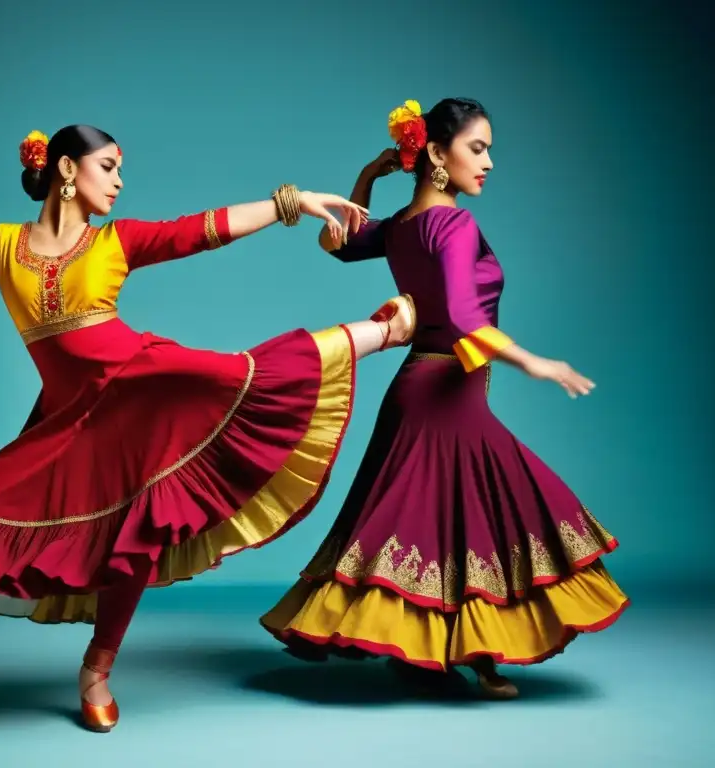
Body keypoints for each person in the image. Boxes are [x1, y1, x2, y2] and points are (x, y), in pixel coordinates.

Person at [0, 124, 418, 731]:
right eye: (107, 167)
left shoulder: (117, 242)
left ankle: (96, 673)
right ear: (65, 169)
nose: (116, 182)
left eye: (119, 171)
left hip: (142, 388)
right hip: (69, 415)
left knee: (196, 448)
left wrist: (291, 201)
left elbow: (202, 230)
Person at [260, 99, 628, 699]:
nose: (488, 163)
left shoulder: (405, 224)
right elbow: (459, 314)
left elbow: (347, 241)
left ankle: (430, 649)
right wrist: (531, 359)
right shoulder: (452, 225)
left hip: (417, 385)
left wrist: (372, 176)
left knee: (431, 520)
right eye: (477, 149)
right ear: (436, 153)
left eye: (488, 150)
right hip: (449, 388)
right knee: (479, 518)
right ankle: (478, 652)